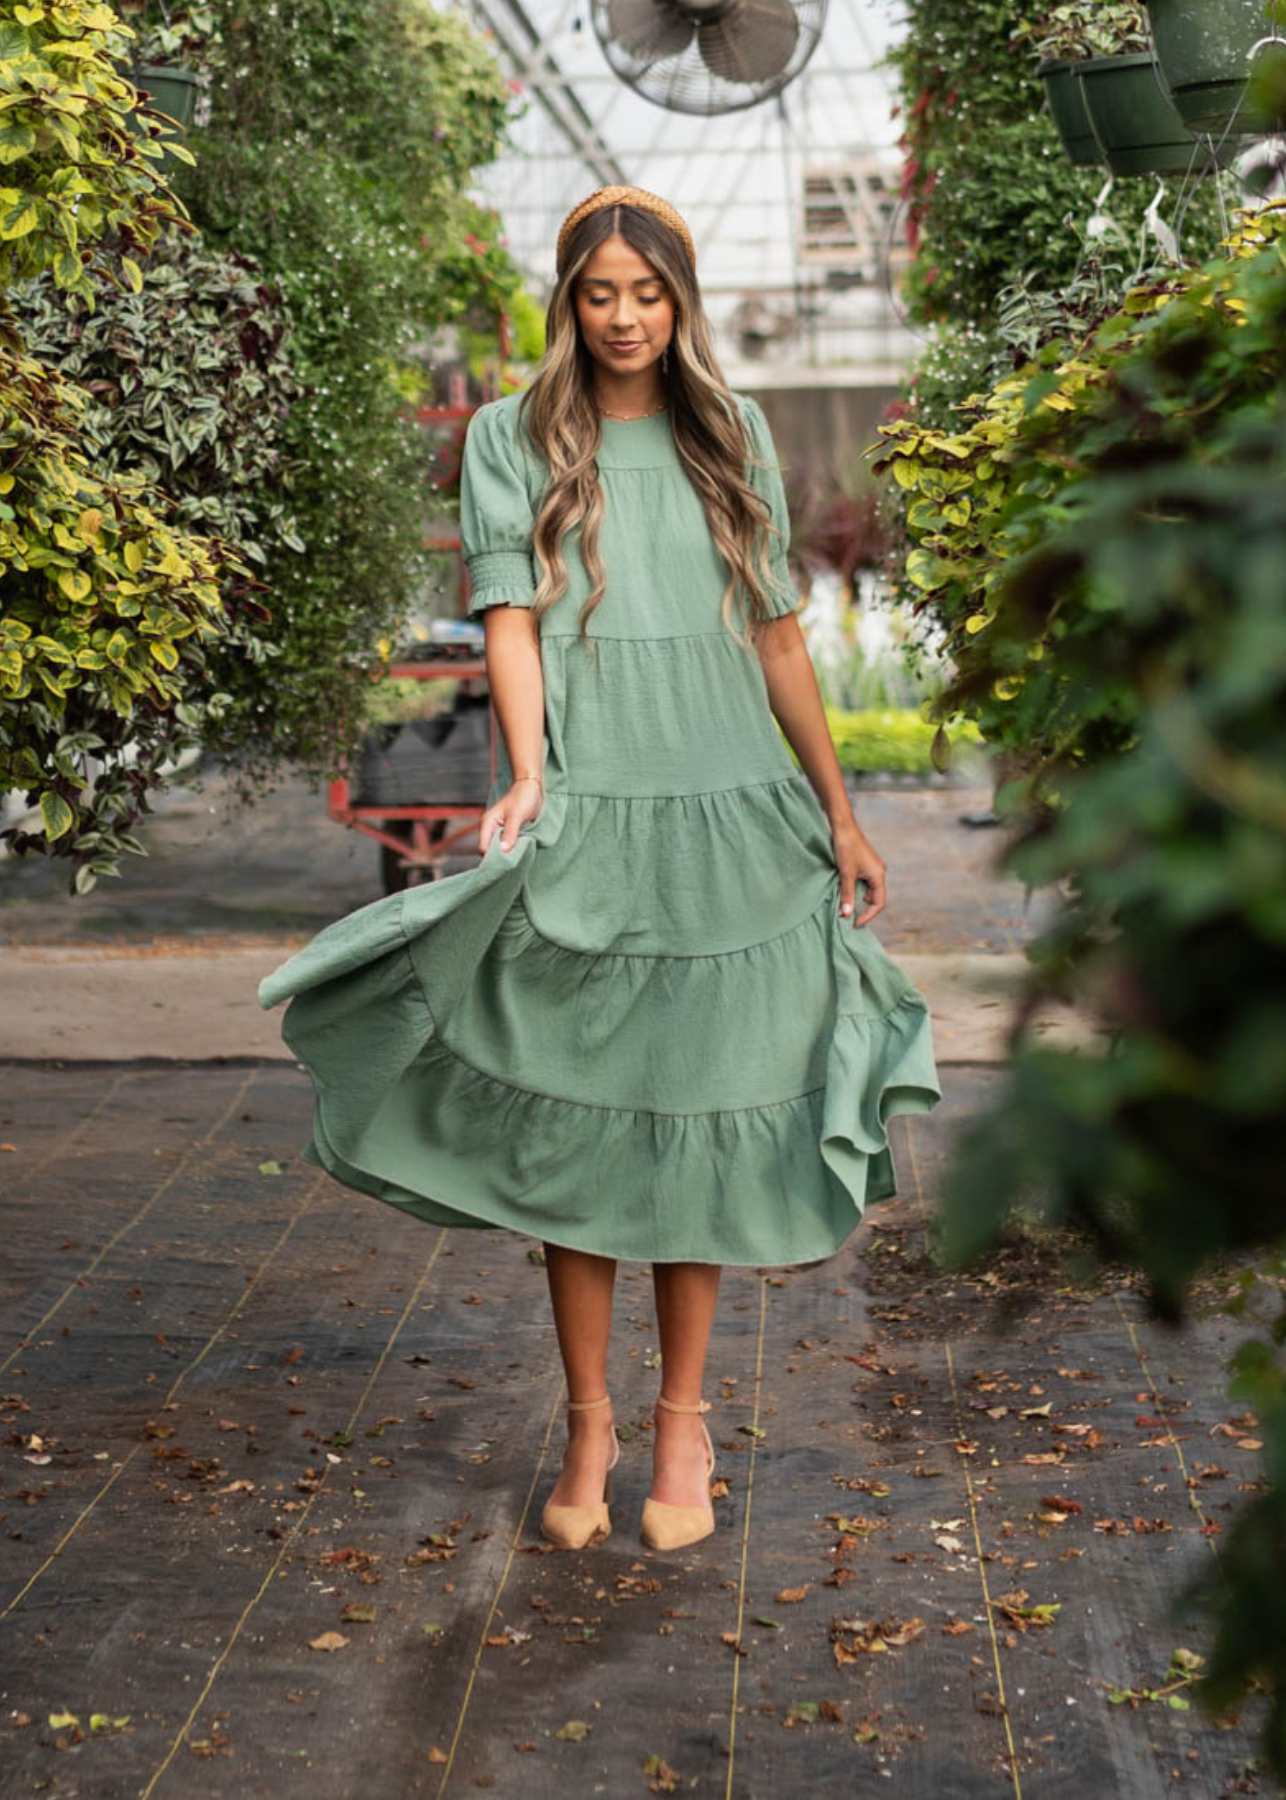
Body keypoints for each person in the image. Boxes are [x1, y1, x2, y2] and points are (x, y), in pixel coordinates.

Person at [258, 184, 941, 1556]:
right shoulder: (513, 439)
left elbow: (779, 642)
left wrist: (841, 813)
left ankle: (682, 1418)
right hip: (596, 806)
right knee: (580, 1123)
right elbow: (508, 623)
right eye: (597, 293)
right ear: (567, 300)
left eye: (647, 293)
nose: (624, 317)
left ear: (678, 300)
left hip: (736, 818)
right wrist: (526, 772)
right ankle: (588, 1418)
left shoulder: (729, 430)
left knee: (690, 1121)